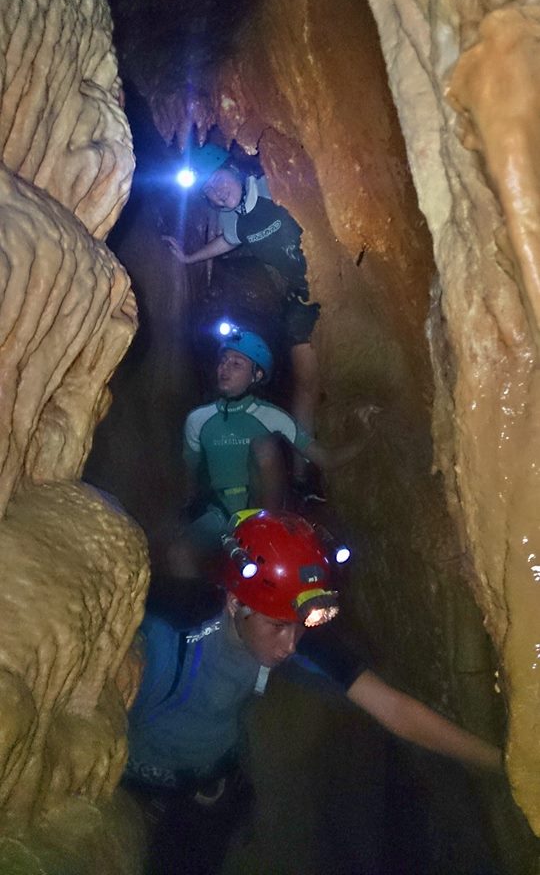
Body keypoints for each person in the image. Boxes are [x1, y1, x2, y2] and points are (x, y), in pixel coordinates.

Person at [125, 510, 503, 874]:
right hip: (135, 787)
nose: (290, 644)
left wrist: (502, 764)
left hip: (214, 786)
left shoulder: (289, 630)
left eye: (299, 626)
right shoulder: (166, 635)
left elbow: (395, 710)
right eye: (277, 627)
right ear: (236, 602)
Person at [165, 142, 321, 491]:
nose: (217, 193)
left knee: (319, 376)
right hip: (300, 296)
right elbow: (227, 240)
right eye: (209, 192)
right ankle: (301, 477)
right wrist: (191, 258)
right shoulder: (230, 217)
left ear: (233, 169)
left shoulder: (271, 185)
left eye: (218, 181)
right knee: (307, 384)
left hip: (327, 278)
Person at [171, 325, 377, 576]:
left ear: (256, 375)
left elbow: (325, 458)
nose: (225, 369)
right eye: (223, 361)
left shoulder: (271, 416)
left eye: (237, 364)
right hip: (220, 516)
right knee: (179, 554)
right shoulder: (198, 420)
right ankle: (199, 605)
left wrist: (362, 437)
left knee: (264, 446)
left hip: (266, 516)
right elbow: (189, 476)